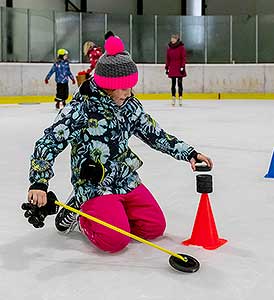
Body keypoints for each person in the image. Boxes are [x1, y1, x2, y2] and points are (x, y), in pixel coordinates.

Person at [24, 36, 213, 254]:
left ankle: (112, 213)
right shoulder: (81, 108)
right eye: (123, 88)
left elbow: (154, 134)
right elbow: (49, 142)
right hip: (94, 184)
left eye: (130, 87)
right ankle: (81, 212)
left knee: (153, 228)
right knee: (114, 241)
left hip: (125, 178)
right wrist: (39, 182)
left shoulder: (129, 104)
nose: (128, 93)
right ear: (107, 86)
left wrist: (189, 153)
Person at [165, 34, 187, 107]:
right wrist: (167, 67)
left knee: (180, 83)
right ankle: (173, 98)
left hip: (179, 67)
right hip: (172, 67)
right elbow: (168, 59)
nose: (172, 40)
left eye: (174, 39)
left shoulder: (181, 48)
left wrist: (182, 66)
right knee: (173, 83)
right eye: (172, 39)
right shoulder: (169, 48)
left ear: (177, 39)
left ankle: (180, 98)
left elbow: (183, 57)